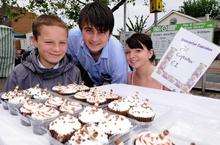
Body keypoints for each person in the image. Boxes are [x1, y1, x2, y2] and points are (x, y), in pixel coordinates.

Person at [4, 14, 81, 91]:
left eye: (62, 42)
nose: (57, 49)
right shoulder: (18, 74)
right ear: (34, 41)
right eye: (49, 42)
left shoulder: (74, 73)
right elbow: (5, 101)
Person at [68, 2, 128, 87]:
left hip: (119, 84)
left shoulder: (117, 55)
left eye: (102, 31)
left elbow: (120, 89)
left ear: (110, 34)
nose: (94, 39)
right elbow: (68, 67)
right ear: (81, 30)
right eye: (89, 30)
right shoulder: (72, 38)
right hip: (90, 81)